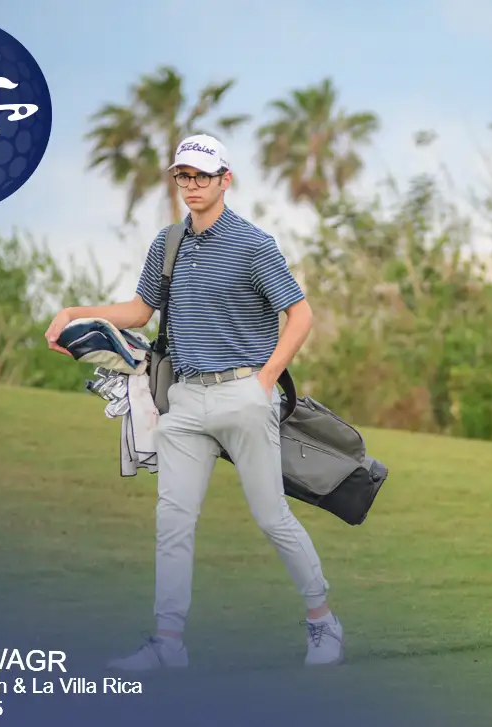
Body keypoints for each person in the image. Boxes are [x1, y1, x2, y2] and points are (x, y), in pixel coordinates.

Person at [44, 133, 344, 670]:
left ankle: (323, 622)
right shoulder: (168, 243)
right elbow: (140, 311)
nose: (192, 185)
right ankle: (169, 644)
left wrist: (265, 380)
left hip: (244, 394)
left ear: (225, 180)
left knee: (271, 516)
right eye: (183, 176)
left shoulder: (254, 244)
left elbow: (300, 315)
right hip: (183, 401)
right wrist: (74, 313)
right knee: (173, 520)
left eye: (202, 176)